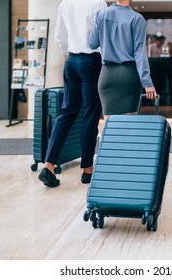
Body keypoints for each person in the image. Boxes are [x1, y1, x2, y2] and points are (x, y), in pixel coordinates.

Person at [38, 0, 107, 188]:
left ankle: (49, 165)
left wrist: (69, 52)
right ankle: (87, 169)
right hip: (92, 61)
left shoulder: (65, 3)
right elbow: (102, 37)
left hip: (72, 61)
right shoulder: (98, 3)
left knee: (66, 112)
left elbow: (60, 36)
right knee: (90, 114)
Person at [88, 0, 157, 120]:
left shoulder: (101, 15)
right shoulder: (137, 18)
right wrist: (147, 82)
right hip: (129, 77)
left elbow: (92, 43)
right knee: (128, 128)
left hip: (107, 76)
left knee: (109, 127)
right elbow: (139, 53)